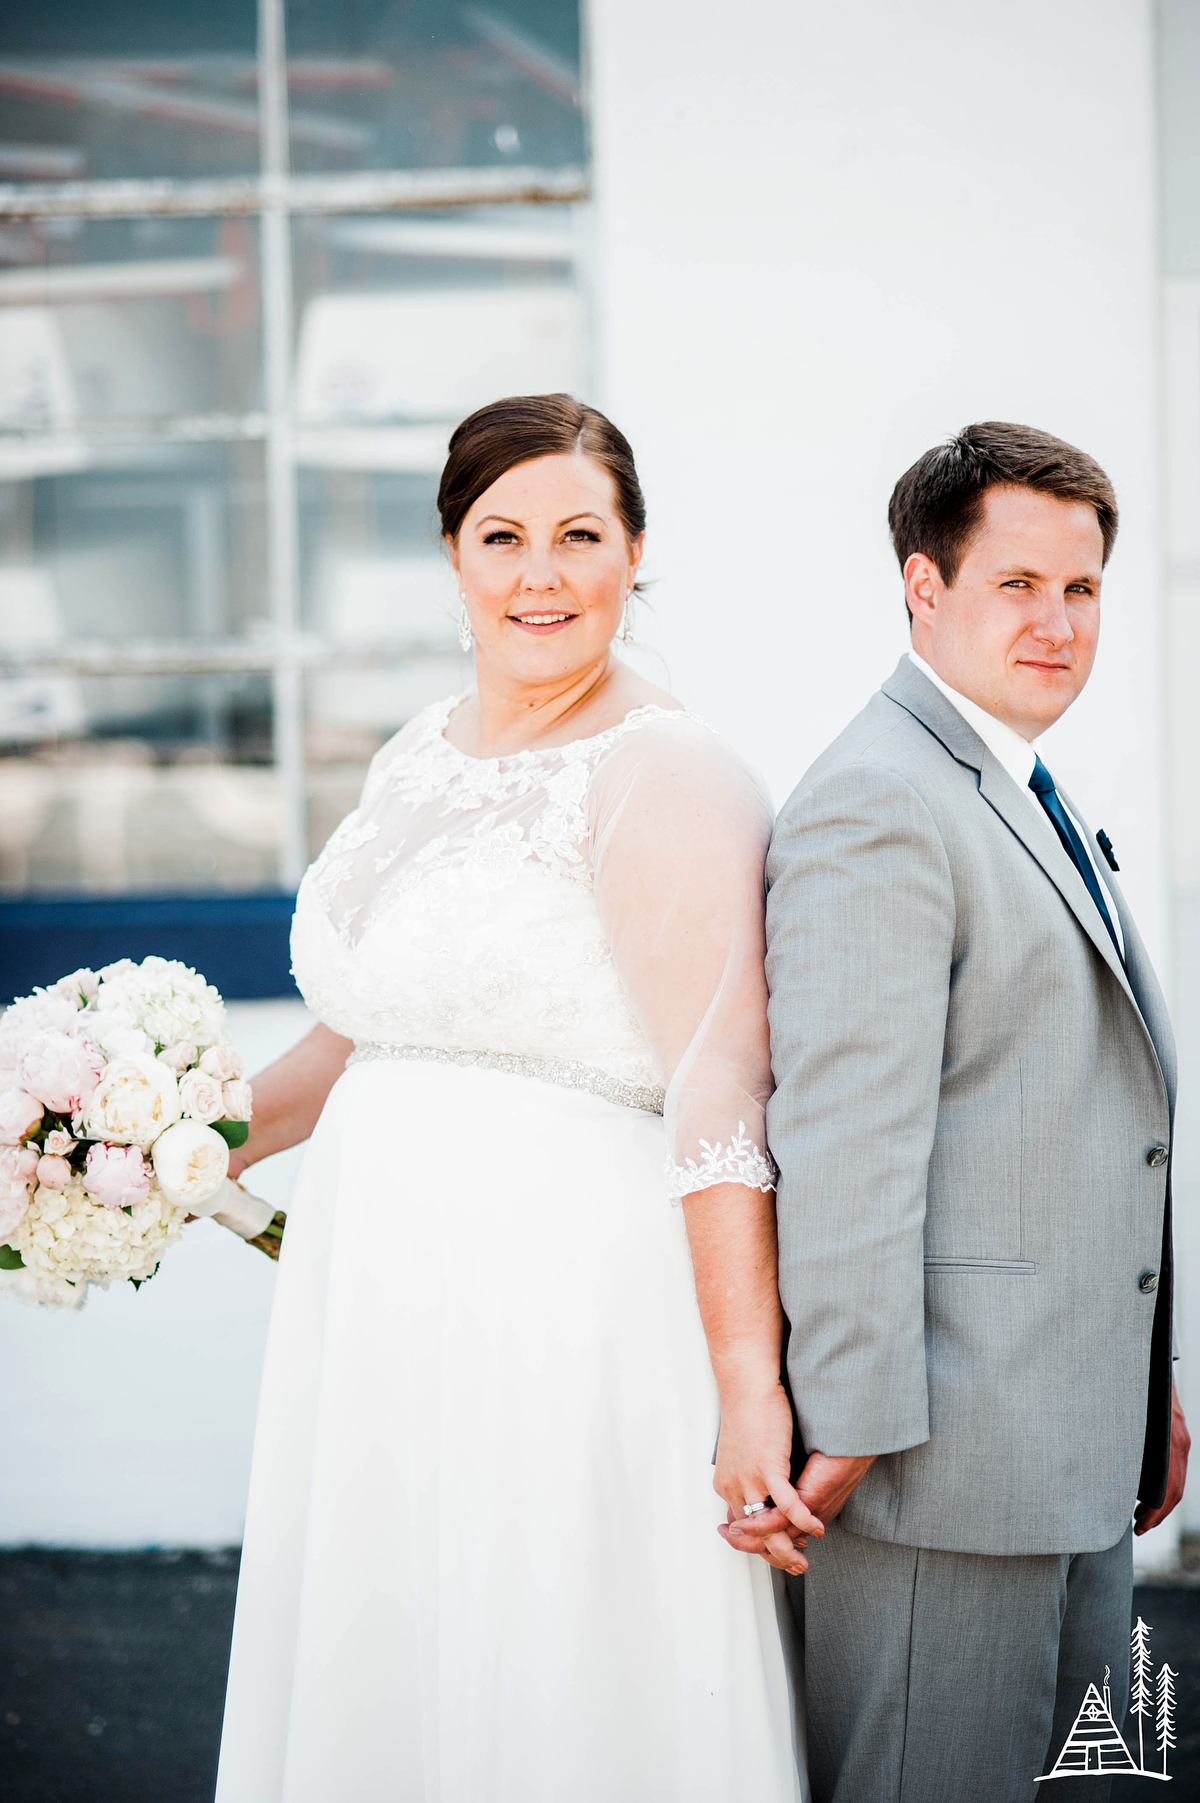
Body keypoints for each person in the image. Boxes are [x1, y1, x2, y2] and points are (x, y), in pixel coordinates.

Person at [214, 393, 813, 1802]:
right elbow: (356, 1041)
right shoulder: (415, 754)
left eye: (579, 536)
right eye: (504, 537)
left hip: (565, 1309)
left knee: (554, 1666)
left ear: (635, 550)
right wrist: (135, 1146)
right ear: (453, 554)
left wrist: (747, 1385)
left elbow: (724, 1084)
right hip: (377, 1307)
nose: (540, 575)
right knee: (400, 1656)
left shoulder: (664, 765)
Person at [741, 422, 1189, 1802]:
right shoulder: (879, 804)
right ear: (923, 588)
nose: (1057, 624)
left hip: (1072, 1439)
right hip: (935, 1475)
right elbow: (846, 1146)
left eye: (1084, 590)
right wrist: (858, 1436)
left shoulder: (1022, 787)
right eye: (1017, 585)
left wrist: (1149, 1387)